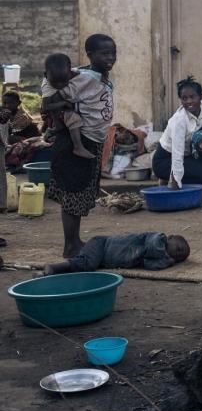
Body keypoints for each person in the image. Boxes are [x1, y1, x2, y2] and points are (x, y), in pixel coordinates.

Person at [43, 34, 116, 258]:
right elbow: (49, 91)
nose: (110, 58)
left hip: (91, 140)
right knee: (74, 193)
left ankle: (74, 242)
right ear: (90, 54)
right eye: (104, 54)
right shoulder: (80, 77)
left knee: (80, 192)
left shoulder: (95, 76)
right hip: (78, 141)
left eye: (113, 53)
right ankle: (71, 245)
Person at [153, 77, 202, 195]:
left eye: (192, 97)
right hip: (165, 160)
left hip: (188, 155)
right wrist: (175, 181)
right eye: (184, 98)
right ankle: (167, 179)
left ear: (201, 97)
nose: (189, 101)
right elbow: (177, 154)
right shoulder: (179, 121)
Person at [43, 232, 190, 275]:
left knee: (86, 268)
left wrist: (166, 263)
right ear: (170, 238)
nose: (177, 254)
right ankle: (54, 267)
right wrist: (166, 258)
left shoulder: (154, 257)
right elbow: (153, 247)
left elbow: (149, 265)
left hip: (104, 259)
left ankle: (50, 274)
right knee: (87, 263)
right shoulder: (158, 238)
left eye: (180, 257)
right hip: (101, 244)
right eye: (178, 249)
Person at [39, 53, 95, 160]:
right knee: (74, 119)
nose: (60, 85)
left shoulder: (72, 74)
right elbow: (45, 107)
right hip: (53, 111)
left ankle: (56, 128)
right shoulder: (48, 86)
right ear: (46, 75)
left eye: (64, 81)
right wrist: (64, 104)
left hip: (63, 108)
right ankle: (78, 147)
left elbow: (81, 73)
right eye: (56, 82)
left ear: (70, 74)